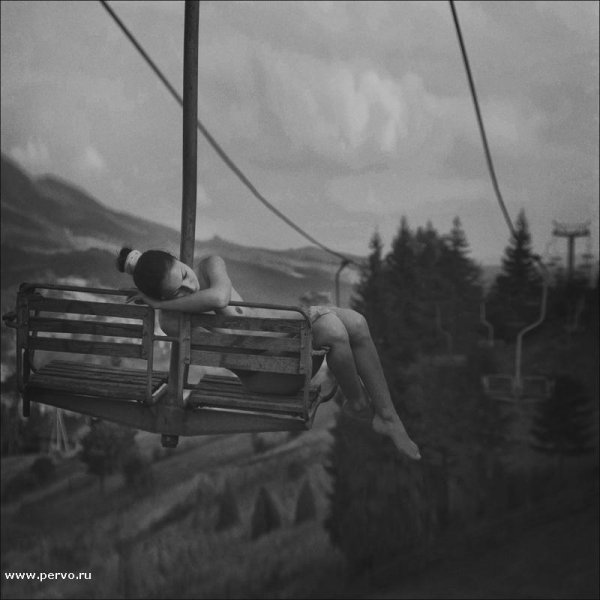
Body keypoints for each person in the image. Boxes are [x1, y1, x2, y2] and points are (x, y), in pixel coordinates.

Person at [117, 247, 421, 461]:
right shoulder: (172, 321)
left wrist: (161, 302)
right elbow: (231, 326)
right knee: (333, 330)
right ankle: (358, 403)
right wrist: (163, 307)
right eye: (178, 291)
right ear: (165, 299)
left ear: (179, 259)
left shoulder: (209, 264)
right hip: (270, 371)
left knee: (357, 323)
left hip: (286, 336)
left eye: (184, 274)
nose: (189, 286)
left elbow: (220, 297)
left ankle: (388, 417)